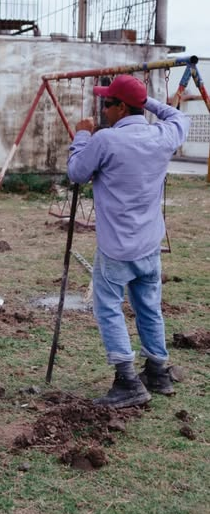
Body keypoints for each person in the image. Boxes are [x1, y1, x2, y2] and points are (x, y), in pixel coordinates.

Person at [67, 74, 190, 408]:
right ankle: (157, 372)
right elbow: (180, 117)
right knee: (149, 308)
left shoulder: (105, 140)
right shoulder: (162, 135)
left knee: (108, 308)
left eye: (108, 103)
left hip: (116, 247)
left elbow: (77, 172)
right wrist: (144, 101)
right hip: (149, 243)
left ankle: (127, 380)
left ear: (121, 107)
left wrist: (81, 134)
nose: (104, 109)